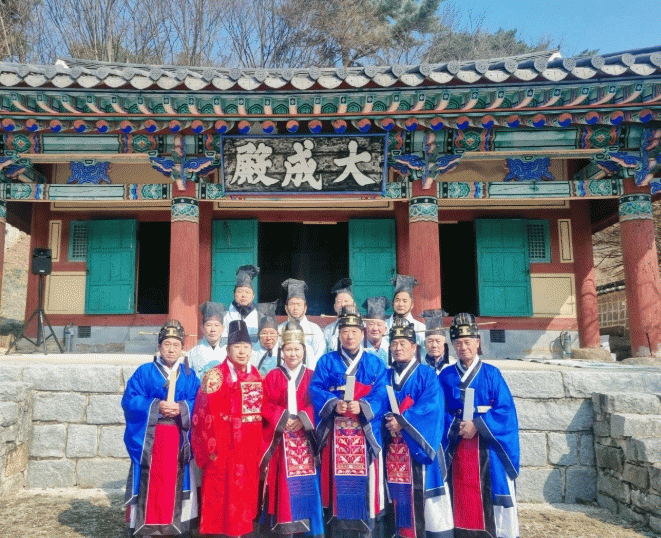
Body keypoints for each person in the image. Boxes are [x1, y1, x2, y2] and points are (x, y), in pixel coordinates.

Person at [309, 305, 388, 538]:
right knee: (335, 486)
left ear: (362, 333)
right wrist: (334, 403)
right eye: (345, 331)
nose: (349, 336)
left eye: (354, 331)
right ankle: (335, 527)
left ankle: (366, 528)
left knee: (364, 488)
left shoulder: (374, 363)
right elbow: (315, 388)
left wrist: (363, 406)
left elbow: (382, 393)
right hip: (335, 432)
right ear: (339, 334)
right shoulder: (326, 361)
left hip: (363, 431)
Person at [439, 313, 520, 538]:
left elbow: (505, 410)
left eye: (467, 342)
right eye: (458, 343)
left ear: (477, 342)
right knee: (460, 495)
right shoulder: (445, 376)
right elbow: (438, 410)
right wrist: (455, 425)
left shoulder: (492, 374)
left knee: (490, 491)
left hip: (488, 446)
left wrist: (477, 424)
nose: (463, 347)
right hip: (457, 444)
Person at [122, 320, 200, 537]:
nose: (171, 349)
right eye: (167, 344)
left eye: (176, 344)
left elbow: (198, 401)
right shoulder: (144, 372)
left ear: (182, 347)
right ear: (159, 346)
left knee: (173, 481)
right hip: (151, 437)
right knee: (152, 481)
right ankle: (147, 526)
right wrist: (156, 406)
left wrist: (182, 407)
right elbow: (130, 400)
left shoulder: (189, 375)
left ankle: (174, 525)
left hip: (178, 436)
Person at [191, 319, 264, 537]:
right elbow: (203, 416)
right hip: (222, 451)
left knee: (245, 499)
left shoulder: (256, 375)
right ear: (228, 349)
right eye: (237, 347)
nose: (242, 352)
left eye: (246, 347)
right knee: (220, 498)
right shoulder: (215, 376)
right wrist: (213, 450)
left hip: (248, 451)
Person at [383, 317, 454, 538]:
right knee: (397, 499)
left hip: (420, 447)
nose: (398, 348)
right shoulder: (386, 375)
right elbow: (377, 402)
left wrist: (403, 421)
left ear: (414, 347)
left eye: (403, 343)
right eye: (394, 344)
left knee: (429, 506)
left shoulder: (427, 374)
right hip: (394, 450)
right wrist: (387, 420)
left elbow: (432, 407)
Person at [259, 320, 324, 538]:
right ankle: (284, 528)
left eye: (297, 349)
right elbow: (264, 403)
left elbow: (319, 403)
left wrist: (304, 418)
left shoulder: (313, 376)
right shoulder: (273, 376)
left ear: (304, 351)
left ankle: (308, 531)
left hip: (306, 440)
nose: (293, 354)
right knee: (283, 488)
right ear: (282, 351)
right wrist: (283, 417)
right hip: (281, 441)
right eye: (288, 349)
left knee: (307, 486)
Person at [279, 278, 326, 368]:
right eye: (292, 304)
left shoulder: (315, 330)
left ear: (305, 308)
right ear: (286, 308)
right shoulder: (280, 329)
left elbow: (319, 357)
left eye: (299, 304)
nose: (295, 308)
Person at [385, 274, 426, 354]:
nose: (401, 304)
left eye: (405, 301)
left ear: (412, 305)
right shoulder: (384, 326)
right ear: (392, 303)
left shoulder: (420, 328)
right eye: (397, 300)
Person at [222, 264, 260, 344]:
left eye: (247, 292)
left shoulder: (259, 316)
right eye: (240, 291)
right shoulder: (224, 316)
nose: (244, 295)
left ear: (253, 296)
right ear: (234, 294)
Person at [189, 301, 227, 378]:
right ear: (202, 328)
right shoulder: (193, 353)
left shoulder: (228, 351)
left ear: (223, 329)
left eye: (217, 325)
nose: (213, 329)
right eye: (209, 325)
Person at [323, 278, 356, 353]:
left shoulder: (362, 328)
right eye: (339, 302)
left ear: (353, 305)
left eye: (346, 301)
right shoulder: (328, 330)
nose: (343, 304)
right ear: (334, 307)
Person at [251, 300, 281, 375]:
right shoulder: (251, 351)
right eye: (264, 333)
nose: (268, 338)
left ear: (278, 334)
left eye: (272, 333)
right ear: (259, 335)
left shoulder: (284, 351)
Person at [421, 309, 455, 373]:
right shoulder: (421, 367)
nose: (434, 345)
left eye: (438, 341)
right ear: (425, 344)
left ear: (445, 344)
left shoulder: (453, 366)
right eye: (430, 341)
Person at [362, 296, 391, 363]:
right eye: (371, 324)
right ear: (365, 327)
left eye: (379, 324)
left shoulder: (390, 347)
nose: (375, 328)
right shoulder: (358, 347)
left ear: (385, 329)